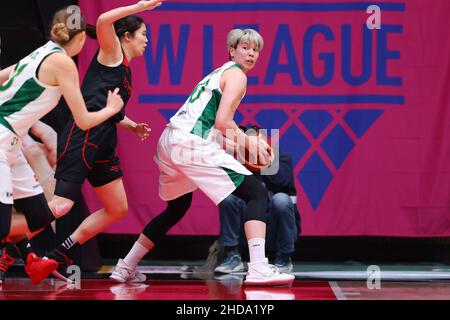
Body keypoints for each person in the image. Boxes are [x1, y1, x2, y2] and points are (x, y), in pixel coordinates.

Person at [111, 28, 295, 286]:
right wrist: (249, 141)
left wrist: (239, 144)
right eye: (245, 47)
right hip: (189, 143)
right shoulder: (237, 75)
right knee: (256, 192)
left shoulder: (216, 74)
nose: (251, 53)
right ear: (232, 51)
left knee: (176, 208)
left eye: (256, 50)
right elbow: (223, 122)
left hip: (170, 141)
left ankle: (125, 266)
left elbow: (213, 127)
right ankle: (258, 268)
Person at [35, 1, 164, 276]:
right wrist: (139, 7)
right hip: (83, 134)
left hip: (104, 139)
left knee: (117, 208)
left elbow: (111, 110)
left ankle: (59, 253)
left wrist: (131, 126)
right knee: (62, 205)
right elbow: (105, 19)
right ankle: (9, 252)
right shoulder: (112, 51)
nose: (146, 41)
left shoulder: (125, 69)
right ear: (126, 36)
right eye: (144, 35)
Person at [0, 7, 124, 284]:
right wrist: (111, 109)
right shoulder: (64, 63)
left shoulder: (40, 51)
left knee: (39, 216)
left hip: (12, 140)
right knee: (8, 224)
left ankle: (29, 257)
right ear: (80, 38)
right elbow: (82, 120)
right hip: (2, 136)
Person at [215, 125, 301, 274]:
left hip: (275, 231)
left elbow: (282, 183)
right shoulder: (236, 162)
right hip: (247, 232)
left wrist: (263, 162)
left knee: (281, 199)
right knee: (228, 198)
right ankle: (232, 256)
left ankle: (284, 258)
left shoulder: (282, 159)